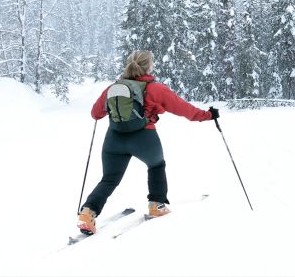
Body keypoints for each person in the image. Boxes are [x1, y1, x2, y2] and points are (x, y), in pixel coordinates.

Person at [77, 50, 218, 235]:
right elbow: (184, 109)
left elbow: (96, 114)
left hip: (114, 140)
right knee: (156, 165)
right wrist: (208, 115)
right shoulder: (155, 89)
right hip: (143, 138)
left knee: (109, 179)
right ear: (148, 66)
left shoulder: (113, 88)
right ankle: (156, 205)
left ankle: (88, 213)